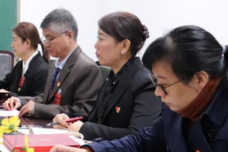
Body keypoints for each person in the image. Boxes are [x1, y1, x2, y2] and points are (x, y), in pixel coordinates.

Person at [47, 26, 228, 152]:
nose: (157, 93)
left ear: (199, 79)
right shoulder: (179, 106)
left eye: (163, 85)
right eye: (155, 83)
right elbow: (143, 142)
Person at [51, 12, 162, 140]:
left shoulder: (145, 82)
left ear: (124, 46)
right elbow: (96, 119)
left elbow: (138, 136)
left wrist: (84, 129)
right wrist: (68, 120)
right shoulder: (113, 77)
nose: (96, 45)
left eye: (101, 38)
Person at [3, 9, 103, 119]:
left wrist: (38, 109)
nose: (46, 44)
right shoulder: (56, 63)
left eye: (50, 39)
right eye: (45, 39)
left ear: (69, 36)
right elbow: (47, 98)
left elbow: (83, 111)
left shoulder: (86, 68)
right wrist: (20, 101)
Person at [0, 22, 49, 97]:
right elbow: (4, 84)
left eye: (15, 40)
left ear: (27, 43)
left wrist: (8, 94)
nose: (12, 45)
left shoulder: (42, 70)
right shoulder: (20, 65)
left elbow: (36, 100)